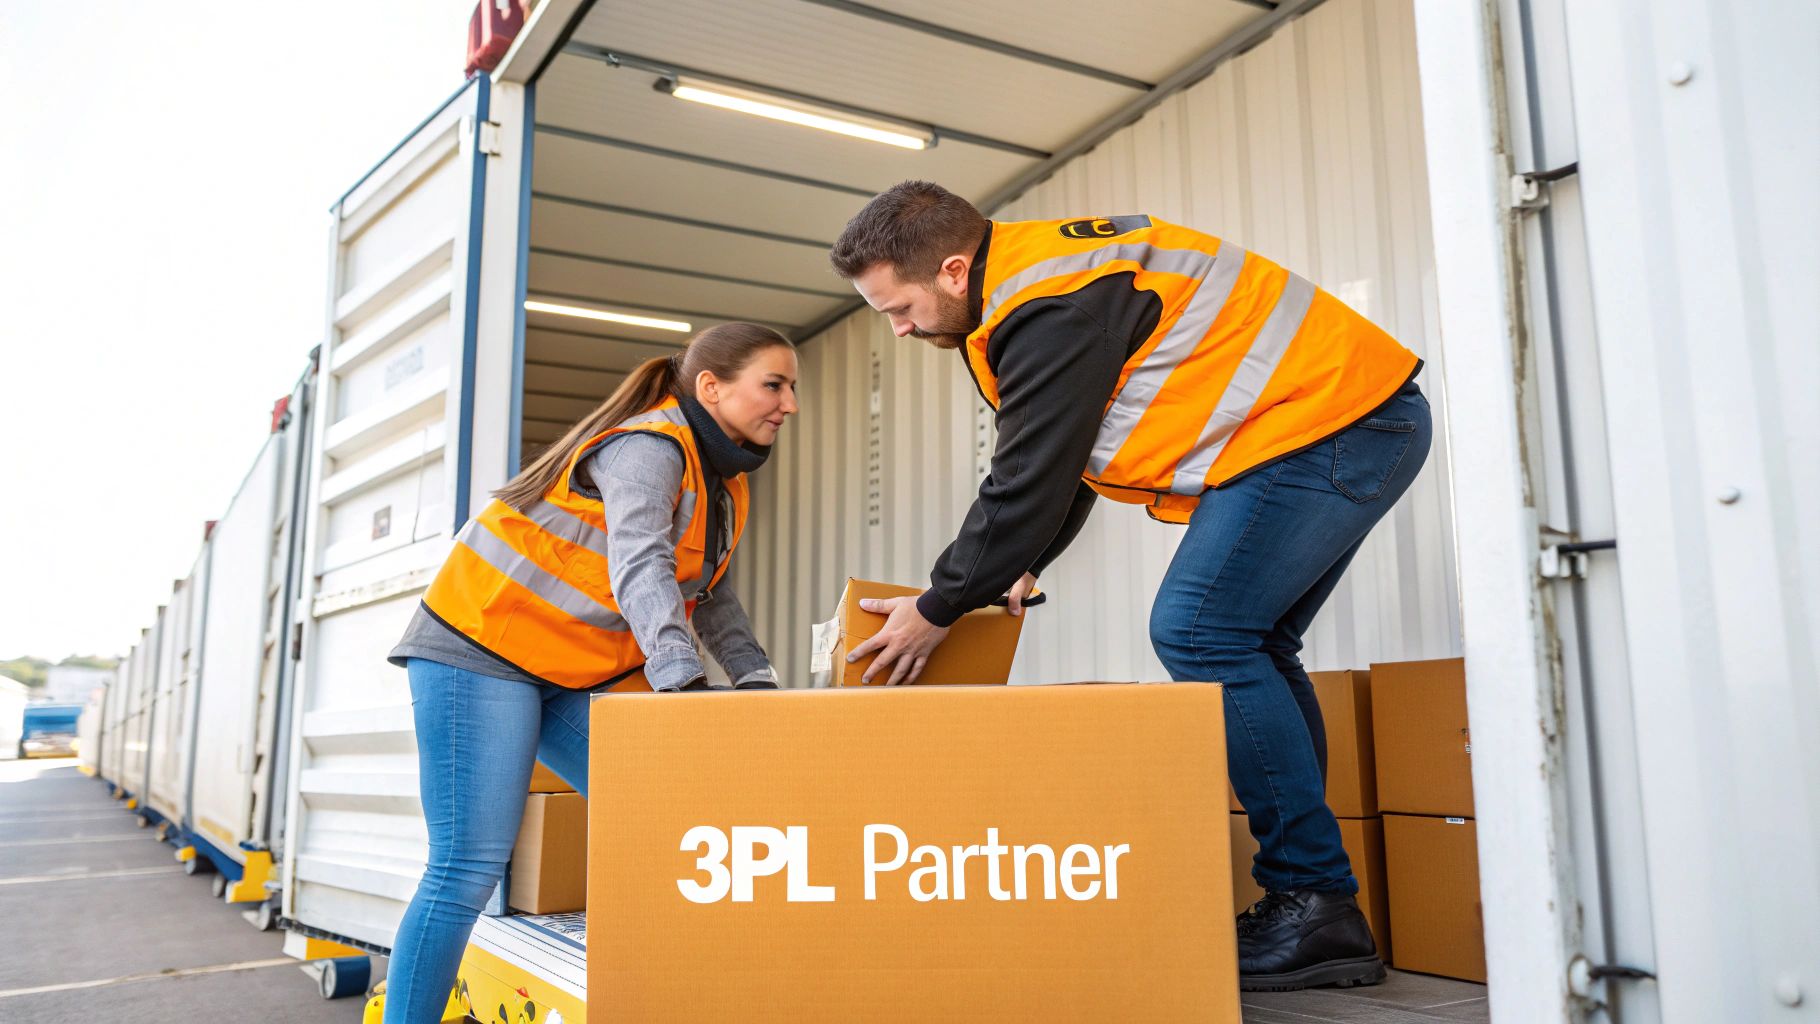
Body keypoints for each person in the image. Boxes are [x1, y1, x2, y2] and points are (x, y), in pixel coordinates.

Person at [830, 182, 1430, 991]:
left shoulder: (1049, 305)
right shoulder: (1023, 288)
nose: (899, 330)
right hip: (1339, 423)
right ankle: (1314, 903)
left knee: (1199, 631)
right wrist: (1020, 561)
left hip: (1330, 424)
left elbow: (1030, 477)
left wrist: (939, 606)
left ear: (949, 269)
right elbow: (1069, 454)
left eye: (896, 308)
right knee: (1249, 642)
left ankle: (1314, 899)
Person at [380, 323, 799, 1020]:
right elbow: (642, 566)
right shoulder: (649, 448)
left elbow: (709, 592)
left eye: (791, 388)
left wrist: (755, 681)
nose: (788, 403)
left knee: (672, 813)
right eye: (774, 385)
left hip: (569, 667)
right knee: (465, 868)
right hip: (483, 646)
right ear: (711, 387)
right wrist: (681, 684)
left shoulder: (717, 481)